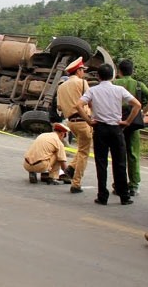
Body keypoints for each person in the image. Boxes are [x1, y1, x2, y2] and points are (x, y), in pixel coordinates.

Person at [75, 63, 141, 206]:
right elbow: (137, 105)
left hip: (100, 129)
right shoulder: (119, 90)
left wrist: (89, 121)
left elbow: (79, 105)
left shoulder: (93, 90)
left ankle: (102, 196)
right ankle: (124, 196)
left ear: (98, 76)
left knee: (101, 163)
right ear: (112, 75)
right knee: (120, 163)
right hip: (116, 129)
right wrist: (127, 122)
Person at [113, 59, 148, 196]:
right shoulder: (138, 84)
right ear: (132, 71)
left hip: (117, 122)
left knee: (118, 154)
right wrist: (142, 112)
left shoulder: (114, 83)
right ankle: (134, 185)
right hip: (133, 123)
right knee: (133, 154)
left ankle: (118, 185)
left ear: (119, 71)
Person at [56, 56, 93, 194]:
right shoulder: (82, 83)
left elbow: (59, 107)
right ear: (78, 71)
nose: (83, 72)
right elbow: (90, 101)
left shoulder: (61, 87)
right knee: (84, 152)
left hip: (71, 123)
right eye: (82, 69)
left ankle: (71, 168)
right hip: (84, 121)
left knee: (82, 148)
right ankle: (76, 184)